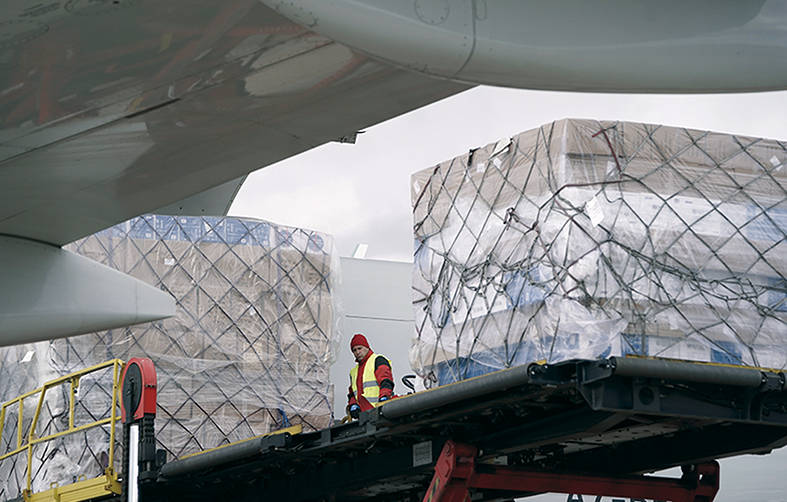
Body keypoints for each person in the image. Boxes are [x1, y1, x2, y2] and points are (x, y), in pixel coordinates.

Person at [346, 333, 394, 419]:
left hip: (379, 411)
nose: (357, 352)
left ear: (367, 347)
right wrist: (353, 405)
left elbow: (386, 381)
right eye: (354, 350)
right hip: (364, 416)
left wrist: (384, 397)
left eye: (360, 348)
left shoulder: (378, 360)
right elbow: (352, 393)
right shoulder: (353, 372)